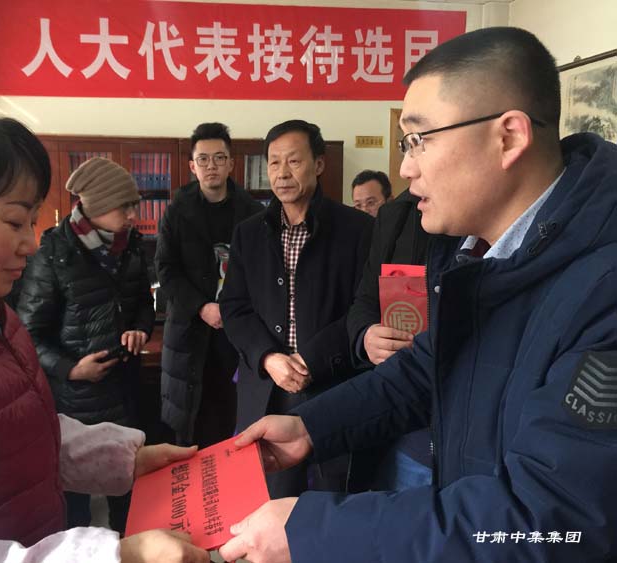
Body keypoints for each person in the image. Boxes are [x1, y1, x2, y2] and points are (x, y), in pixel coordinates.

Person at [218, 27, 617, 563]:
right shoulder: (478, 256)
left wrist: (317, 531)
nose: (405, 167)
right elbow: (423, 371)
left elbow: (550, 522)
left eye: (418, 140)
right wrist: (311, 427)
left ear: (509, 137)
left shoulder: (603, 289)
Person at [0, 107, 209, 563]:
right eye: (14, 222)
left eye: (31, 221)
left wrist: (127, 459)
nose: (30, 242)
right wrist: (116, 555)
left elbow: (20, 433)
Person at [219, 119, 373, 499]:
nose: (282, 173)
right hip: (266, 386)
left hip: (332, 383)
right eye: (274, 163)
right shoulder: (249, 233)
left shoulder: (357, 230)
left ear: (318, 164)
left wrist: (311, 360)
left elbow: (364, 307)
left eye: (294, 161)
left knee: (332, 497)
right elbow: (234, 307)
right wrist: (268, 357)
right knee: (268, 498)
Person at [16, 156, 155, 533]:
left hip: (125, 391)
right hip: (75, 402)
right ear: (97, 207)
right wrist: (71, 369)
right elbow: (27, 334)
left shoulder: (131, 245)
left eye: (134, 206)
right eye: (124, 207)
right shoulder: (54, 253)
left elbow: (144, 303)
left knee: (129, 497)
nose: (132, 215)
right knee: (74, 506)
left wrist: (139, 330)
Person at [155, 122, 263, 448]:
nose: (211, 166)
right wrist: (202, 308)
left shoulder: (253, 213)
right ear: (192, 166)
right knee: (190, 424)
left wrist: (232, 310)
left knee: (234, 419)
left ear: (231, 163)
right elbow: (166, 270)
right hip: (189, 331)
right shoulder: (176, 211)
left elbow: (261, 273)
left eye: (219, 158)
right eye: (203, 159)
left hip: (237, 331)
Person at [345, 188, 434, 491]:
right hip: (406, 422)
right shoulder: (398, 216)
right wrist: (366, 335)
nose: (408, 169)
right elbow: (364, 301)